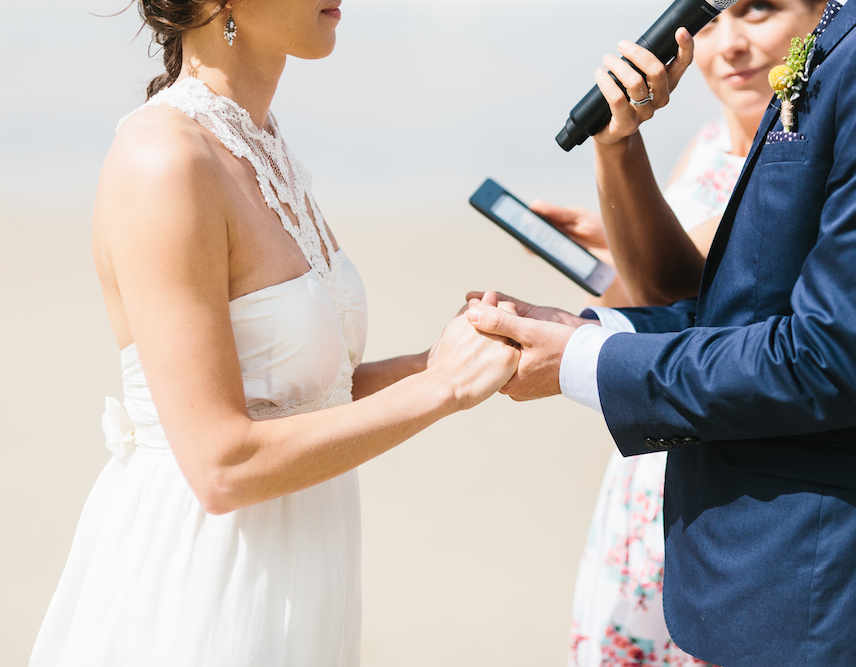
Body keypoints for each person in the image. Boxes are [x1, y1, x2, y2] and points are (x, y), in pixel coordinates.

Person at [467, 0, 856, 664]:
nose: (730, 43)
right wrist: (590, 328)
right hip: (759, 569)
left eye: (759, 10)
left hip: (834, 592)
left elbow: (831, 356)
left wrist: (585, 359)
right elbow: (745, 308)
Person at [29, 1, 519, 665]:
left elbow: (310, 400)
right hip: (205, 589)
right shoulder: (163, 160)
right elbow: (221, 463)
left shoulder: (260, 145)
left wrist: (443, 357)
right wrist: (440, 390)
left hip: (302, 586)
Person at [528, 2, 827, 664]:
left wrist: (618, 152)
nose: (731, 43)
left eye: (760, 11)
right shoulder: (707, 146)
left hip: (735, 489)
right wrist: (614, 242)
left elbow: (679, 290)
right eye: (713, 19)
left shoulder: (807, 158)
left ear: (823, 15)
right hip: (651, 466)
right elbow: (654, 302)